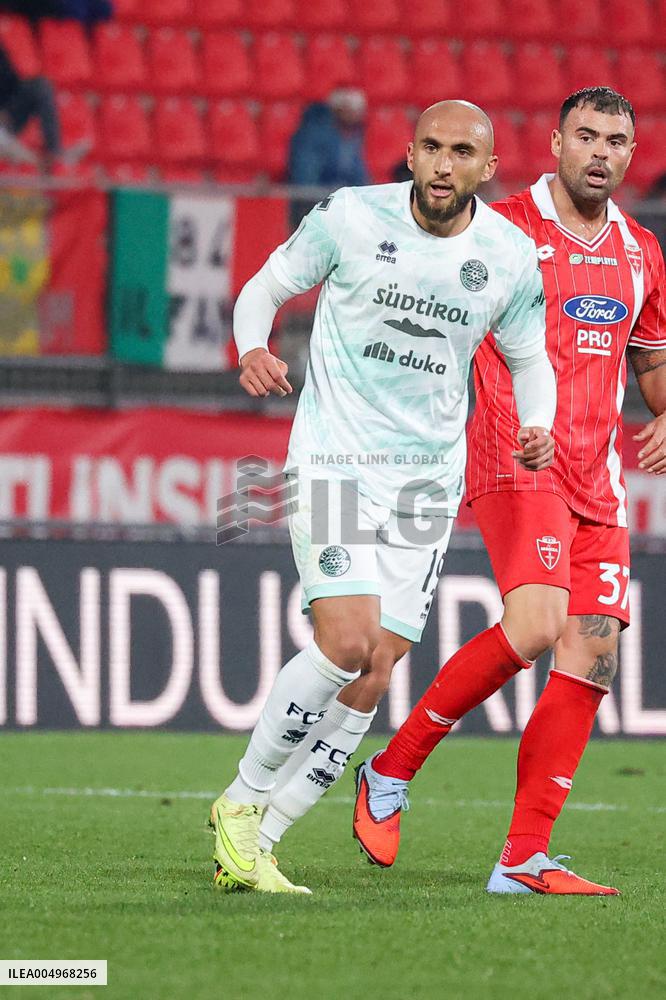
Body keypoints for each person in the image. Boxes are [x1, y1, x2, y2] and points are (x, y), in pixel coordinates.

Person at [210, 99, 557, 894]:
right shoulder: (350, 218)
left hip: (428, 482)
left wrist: (535, 423)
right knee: (346, 639)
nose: (442, 164)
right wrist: (253, 347)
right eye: (430, 147)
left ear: (488, 167)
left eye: (461, 151)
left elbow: (531, 358)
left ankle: (260, 842)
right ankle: (242, 797)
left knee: (376, 669)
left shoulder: (507, 254)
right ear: (408, 152)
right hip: (333, 459)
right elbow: (263, 290)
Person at [353, 87, 666, 896]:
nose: (601, 152)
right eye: (586, 136)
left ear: (632, 154)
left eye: (617, 140)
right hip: (514, 461)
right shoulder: (501, 232)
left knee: (592, 653)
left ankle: (523, 857)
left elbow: (652, 364)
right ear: (556, 142)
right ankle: (390, 772)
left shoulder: (641, 253)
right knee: (536, 625)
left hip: (599, 481)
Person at [0, 42, 88, 172]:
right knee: (3, 139)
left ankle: (54, 152)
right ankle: (41, 162)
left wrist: (4, 108)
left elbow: (10, 80)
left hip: (7, 110)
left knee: (40, 86)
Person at [287, 88, 370, 189]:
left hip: (346, 197)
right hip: (317, 198)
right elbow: (306, 176)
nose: (354, 115)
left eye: (357, 110)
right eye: (349, 110)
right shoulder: (313, 136)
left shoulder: (358, 136)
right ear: (337, 111)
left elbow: (359, 177)